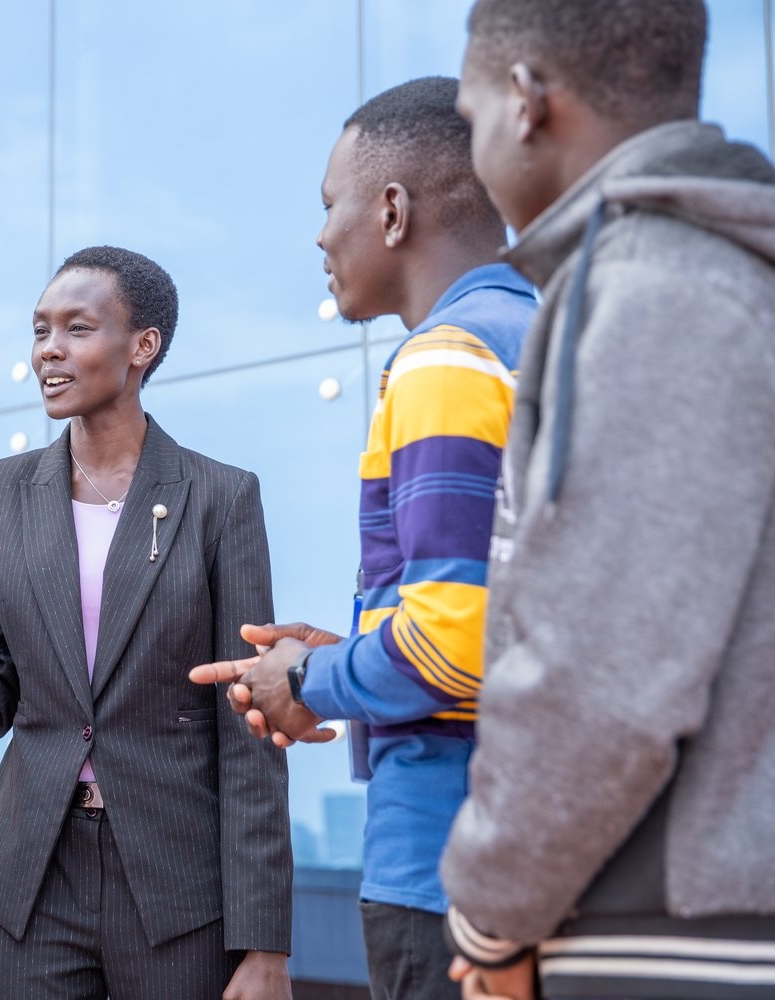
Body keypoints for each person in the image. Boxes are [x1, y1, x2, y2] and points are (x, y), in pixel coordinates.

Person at [438, 2, 775, 998]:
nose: (477, 155)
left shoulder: (659, 287)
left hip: (681, 936)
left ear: (526, 102)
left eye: (472, 116)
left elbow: (600, 668)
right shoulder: (756, 277)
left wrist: (490, 915)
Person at [0, 246, 294, 999]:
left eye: (77, 328)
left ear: (142, 347)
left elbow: (249, 724)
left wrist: (264, 945)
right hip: (33, 874)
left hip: (176, 882)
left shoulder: (220, 497)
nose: (49, 351)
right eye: (40, 331)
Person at [191, 77, 536, 1000]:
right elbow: (505, 625)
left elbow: (453, 648)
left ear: (391, 211)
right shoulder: (539, 336)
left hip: (445, 869)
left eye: (328, 204)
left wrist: (301, 678)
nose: (318, 235)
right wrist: (344, 661)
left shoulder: (446, 360)